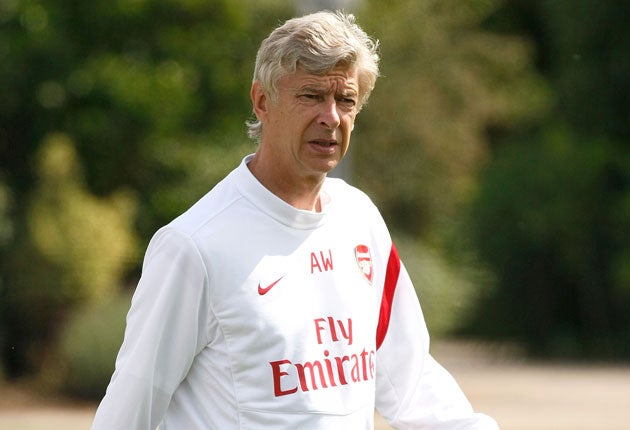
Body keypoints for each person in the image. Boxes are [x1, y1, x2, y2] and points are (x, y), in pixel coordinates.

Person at [91, 10, 499, 430]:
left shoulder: (360, 218)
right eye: (311, 96)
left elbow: (411, 382)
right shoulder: (193, 246)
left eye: (346, 100)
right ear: (262, 101)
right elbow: (129, 411)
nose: (331, 117)